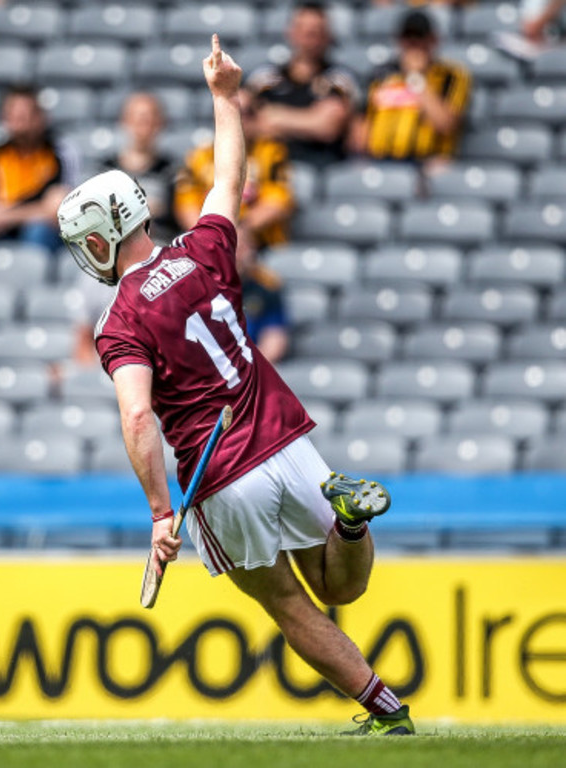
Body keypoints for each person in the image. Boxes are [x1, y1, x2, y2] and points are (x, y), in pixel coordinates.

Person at [57, 34, 414, 737]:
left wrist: (162, 512)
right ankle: (348, 518)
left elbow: (137, 420)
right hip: (287, 437)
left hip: (220, 474)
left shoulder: (118, 319)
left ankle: (387, 710)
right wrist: (224, 99)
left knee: (287, 603)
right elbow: (229, 177)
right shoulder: (205, 246)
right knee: (344, 583)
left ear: (100, 240)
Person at [0, 84, 79, 254]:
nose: (19, 120)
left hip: (38, 228)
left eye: (25, 114)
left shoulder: (58, 151)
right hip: (0, 227)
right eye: (12, 114)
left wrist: (6, 217)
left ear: (41, 116)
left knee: (38, 231)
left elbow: (56, 209)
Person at [174, 88, 294, 249]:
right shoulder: (198, 156)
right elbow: (185, 204)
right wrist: (209, 235)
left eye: (246, 113)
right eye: (231, 112)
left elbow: (278, 202)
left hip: (258, 243)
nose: (238, 119)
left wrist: (239, 230)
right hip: (208, 243)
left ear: (256, 117)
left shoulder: (272, 152)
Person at [352, 9, 471, 165]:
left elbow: (446, 124)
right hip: (381, 160)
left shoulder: (452, 75)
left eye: (420, 37)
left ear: (433, 40)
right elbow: (361, 128)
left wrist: (416, 77)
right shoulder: (380, 75)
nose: (414, 44)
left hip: (426, 162)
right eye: (408, 38)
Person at [245, 1, 357, 167]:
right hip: (270, 170)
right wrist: (308, 119)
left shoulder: (339, 79)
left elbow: (327, 127)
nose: (308, 38)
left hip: (322, 167)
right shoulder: (264, 78)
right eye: (302, 30)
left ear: (327, 36)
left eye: (315, 32)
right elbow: (242, 123)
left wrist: (272, 115)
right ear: (290, 32)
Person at [102, 92, 177, 245]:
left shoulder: (172, 171)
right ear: (124, 121)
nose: (143, 125)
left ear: (160, 123)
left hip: (159, 248)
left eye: (149, 119)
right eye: (136, 119)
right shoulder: (105, 170)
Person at [236, 224, 289, 364]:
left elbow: (274, 340)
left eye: (242, 248)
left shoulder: (266, 289)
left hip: (252, 368)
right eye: (230, 248)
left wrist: (246, 371)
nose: (237, 256)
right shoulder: (201, 289)